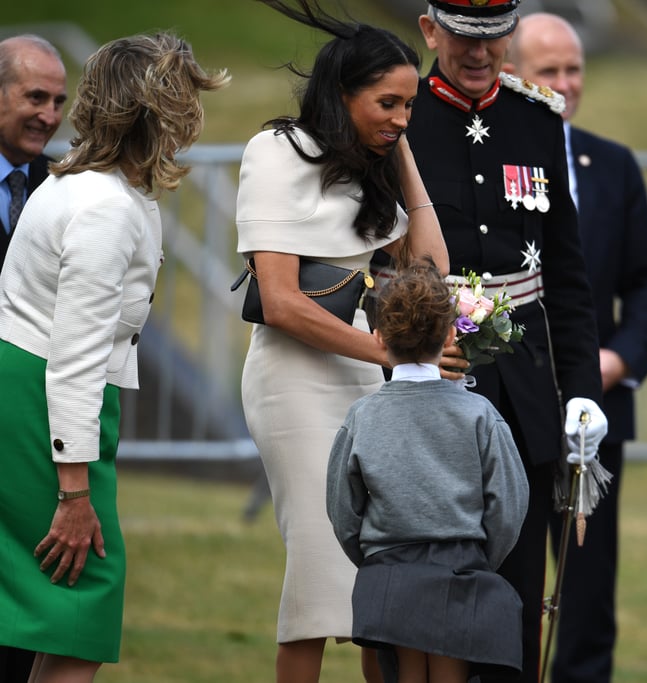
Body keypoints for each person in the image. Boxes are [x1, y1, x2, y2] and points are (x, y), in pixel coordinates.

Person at [0, 32, 227, 683]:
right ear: (155, 113)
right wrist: (74, 491)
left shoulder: (87, 184)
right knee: (85, 587)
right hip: (45, 398)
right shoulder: (103, 206)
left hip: (34, 390)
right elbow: (74, 354)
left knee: (55, 599)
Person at [236, 2, 450, 682]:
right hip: (294, 380)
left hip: (361, 377)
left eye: (410, 107)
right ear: (341, 93)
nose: (401, 118)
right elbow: (280, 301)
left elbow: (433, 271)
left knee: (375, 582)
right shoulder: (275, 151)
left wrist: (404, 153)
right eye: (388, 102)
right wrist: (391, 356)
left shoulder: (377, 167)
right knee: (322, 580)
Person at [407, 2, 609, 681]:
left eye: (494, 40)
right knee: (425, 592)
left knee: (517, 595)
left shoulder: (536, 120)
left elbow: (568, 279)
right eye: (465, 38)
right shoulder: (397, 115)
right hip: (425, 386)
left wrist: (581, 392)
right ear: (430, 31)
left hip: (521, 395)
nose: (479, 54)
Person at [502, 13, 647, 683]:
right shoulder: (492, 159)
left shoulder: (614, 165)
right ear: (512, 73)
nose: (566, 84)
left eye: (574, 70)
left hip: (591, 413)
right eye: (550, 71)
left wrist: (616, 359)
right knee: (507, 573)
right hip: (507, 405)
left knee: (589, 584)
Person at [326, 258, 529, 682]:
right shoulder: (481, 416)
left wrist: (373, 559)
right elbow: (509, 505)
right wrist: (479, 559)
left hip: (389, 578)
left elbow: (342, 508)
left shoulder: (361, 417)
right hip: (460, 573)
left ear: (377, 335)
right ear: (452, 334)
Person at [0, 33, 67, 683]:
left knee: (22, 589)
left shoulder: (63, 189)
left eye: (58, 101)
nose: (49, 115)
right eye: (34, 97)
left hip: (28, 424)